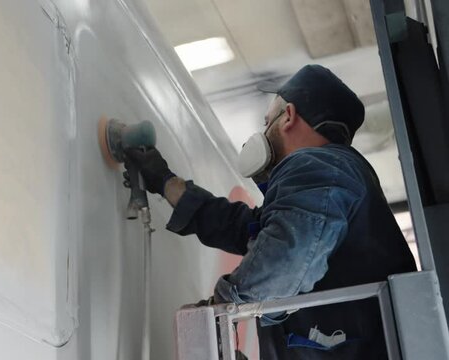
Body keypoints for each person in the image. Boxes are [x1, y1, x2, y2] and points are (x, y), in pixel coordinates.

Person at [124, 65, 416, 359]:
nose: (263, 131)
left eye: (267, 121)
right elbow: (248, 230)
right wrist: (164, 181)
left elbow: (287, 257)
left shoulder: (318, 166)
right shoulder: (329, 180)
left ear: (287, 116)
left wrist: (220, 309)